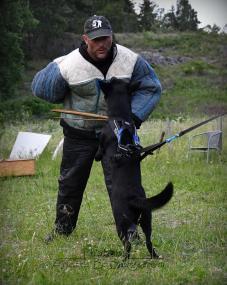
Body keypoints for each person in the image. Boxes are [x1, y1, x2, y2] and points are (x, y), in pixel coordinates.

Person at [31, 15, 162, 242]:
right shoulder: (68, 65)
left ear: (112, 37)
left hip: (115, 136)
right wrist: (58, 72)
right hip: (78, 133)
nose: (102, 44)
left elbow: (151, 88)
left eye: (106, 38)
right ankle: (63, 229)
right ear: (85, 39)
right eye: (96, 39)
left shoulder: (130, 60)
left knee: (120, 184)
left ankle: (129, 231)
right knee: (70, 183)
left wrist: (131, 119)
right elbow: (44, 90)